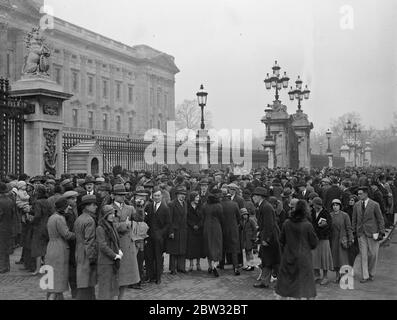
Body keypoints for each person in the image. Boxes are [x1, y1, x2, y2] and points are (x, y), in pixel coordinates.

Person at [275, 200, 319, 300]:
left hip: (289, 258)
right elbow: (314, 243)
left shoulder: (287, 223)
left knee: (288, 285)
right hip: (304, 259)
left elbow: (281, 240)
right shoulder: (307, 225)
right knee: (307, 287)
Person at [111, 184, 140, 294]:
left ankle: (121, 297)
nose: (122, 197)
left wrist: (140, 208)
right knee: (117, 275)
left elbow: (139, 219)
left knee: (126, 278)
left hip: (128, 244)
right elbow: (110, 226)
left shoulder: (130, 207)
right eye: (120, 195)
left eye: (124, 195)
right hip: (116, 243)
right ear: (114, 196)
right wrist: (125, 225)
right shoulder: (109, 208)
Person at [353, 187, 385, 283]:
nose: (358, 195)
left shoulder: (375, 205)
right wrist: (354, 231)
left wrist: (381, 231)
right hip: (361, 233)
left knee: (373, 254)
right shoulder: (356, 205)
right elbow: (354, 219)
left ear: (366, 194)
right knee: (363, 254)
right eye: (358, 194)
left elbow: (380, 219)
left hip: (373, 233)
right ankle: (365, 276)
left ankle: (371, 273)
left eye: (360, 193)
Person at [45, 197, 75, 300]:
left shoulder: (52, 217)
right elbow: (66, 234)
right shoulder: (59, 218)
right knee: (57, 282)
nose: (68, 208)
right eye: (67, 206)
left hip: (51, 247)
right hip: (59, 249)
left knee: (52, 282)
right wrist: (77, 235)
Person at [252, 187, 281, 289]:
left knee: (275, 261)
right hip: (267, 236)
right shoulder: (262, 206)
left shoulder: (266, 207)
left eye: (255, 196)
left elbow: (269, 225)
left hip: (271, 238)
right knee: (267, 260)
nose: (253, 197)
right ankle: (265, 281)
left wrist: (266, 239)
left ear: (261, 197)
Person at [145, 187, 171, 284]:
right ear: (152, 196)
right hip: (149, 236)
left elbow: (168, 224)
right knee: (149, 257)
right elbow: (146, 220)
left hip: (159, 238)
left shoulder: (165, 208)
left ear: (162, 196)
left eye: (158, 195)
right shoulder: (149, 206)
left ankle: (158, 277)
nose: (156, 197)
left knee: (158, 257)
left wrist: (161, 233)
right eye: (155, 195)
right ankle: (150, 276)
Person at [96, 205, 122, 300]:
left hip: (112, 262)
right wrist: (114, 255)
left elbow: (115, 241)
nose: (112, 215)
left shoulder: (112, 226)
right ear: (105, 215)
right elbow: (102, 245)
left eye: (113, 213)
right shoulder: (101, 228)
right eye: (110, 213)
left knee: (112, 288)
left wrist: (118, 250)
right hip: (105, 262)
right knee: (105, 289)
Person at [74, 195, 98, 300]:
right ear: (87, 206)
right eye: (93, 205)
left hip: (79, 250)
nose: (96, 207)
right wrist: (92, 258)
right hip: (86, 252)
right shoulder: (90, 220)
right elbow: (89, 241)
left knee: (83, 279)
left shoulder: (79, 218)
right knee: (88, 281)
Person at [329, 199, 354, 283]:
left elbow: (349, 228)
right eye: (333, 205)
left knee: (343, 258)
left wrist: (350, 238)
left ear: (340, 206)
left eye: (337, 205)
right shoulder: (330, 215)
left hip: (342, 240)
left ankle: (344, 276)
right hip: (333, 240)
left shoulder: (345, 215)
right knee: (335, 258)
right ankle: (337, 275)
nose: (335, 207)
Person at [311, 197, 333, 286]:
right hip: (314, 239)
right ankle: (316, 274)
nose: (313, 206)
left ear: (318, 205)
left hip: (324, 238)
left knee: (324, 258)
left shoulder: (326, 213)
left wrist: (320, 232)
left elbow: (329, 225)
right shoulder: (311, 212)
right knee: (314, 257)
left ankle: (325, 277)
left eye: (314, 205)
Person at [220, 188, 242, 275]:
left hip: (222, 228)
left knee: (222, 247)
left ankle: (221, 264)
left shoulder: (220, 204)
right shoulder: (235, 204)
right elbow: (238, 216)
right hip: (233, 229)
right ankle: (235, 267)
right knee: (234, 248)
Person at [202, 189, 224, 277]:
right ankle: (215, 265)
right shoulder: (219, 206)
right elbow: (221, 217)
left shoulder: (205, 205)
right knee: (217, 246)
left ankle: (209, 266)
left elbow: (202, 216)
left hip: (206, 227)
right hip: (216, 227)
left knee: (208, 246)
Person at [30, 184, 51, 275]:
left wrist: (31, 220)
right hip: (47, 225)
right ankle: (46, 267)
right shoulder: (47, 201)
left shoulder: (38, 202)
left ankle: (38, 269)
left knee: (38, 249)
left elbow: (37, 215)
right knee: (46, 248)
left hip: (39, 226)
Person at [167, 187, 188, 274]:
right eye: (181, 195)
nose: (182, 196)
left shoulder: (185, 204)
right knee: (174, 250)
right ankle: (172, 268)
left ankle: (181, 267)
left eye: (184, 195)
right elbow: (169, 219)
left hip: (183, 230)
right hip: (175, 230)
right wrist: (171, 231)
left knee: (182, 250)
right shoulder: (172, 204)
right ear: (177, 195)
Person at [186, 191, 204, 272]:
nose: (198, 198)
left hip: (199, 229)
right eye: (196, 197)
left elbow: (203, 217)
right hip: (190, 229)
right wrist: (192, 225)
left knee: (199, 247)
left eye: (198, 197)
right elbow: (187, 218)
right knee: (191, 247)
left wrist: (199, 225)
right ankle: (191, 264)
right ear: (192, 198)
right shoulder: (187, 206)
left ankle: (198, 263)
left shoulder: (201, 206)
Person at [0, 182, 15, 274]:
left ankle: (2, 266)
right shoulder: (10, 200)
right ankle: (6, 265)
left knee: (1, 248)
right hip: (8, 225)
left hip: (1, 226)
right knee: (5, 247)